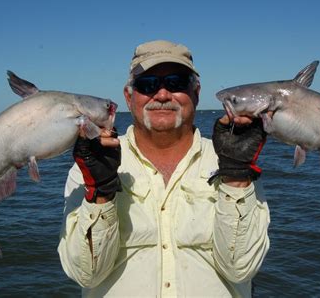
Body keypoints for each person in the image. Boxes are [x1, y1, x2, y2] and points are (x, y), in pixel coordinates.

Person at [58, 40, 270, 297]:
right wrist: (100, 192)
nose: (161, 95)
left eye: (176, 83)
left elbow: (241, 270)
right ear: (128, 96)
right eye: (146, 85)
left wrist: (236, 175)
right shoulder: (90, 167)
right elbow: (86, 275)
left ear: (196, 92)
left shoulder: (234, 161)